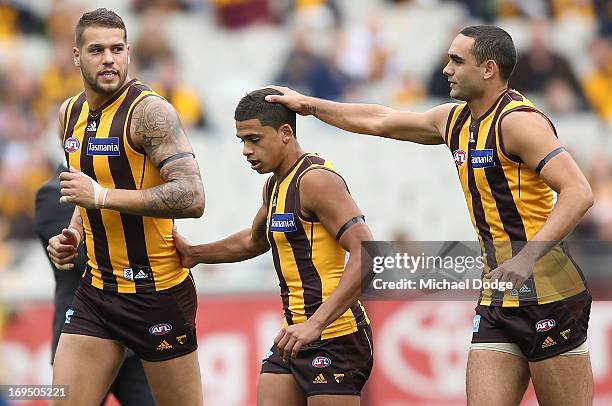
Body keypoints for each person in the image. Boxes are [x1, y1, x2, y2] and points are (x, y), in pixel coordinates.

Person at [267, 26, 594, 405]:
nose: (446, 69)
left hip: (549, 289)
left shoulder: (519, 123)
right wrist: (310, 105)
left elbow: (579, 192)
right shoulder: (453, 121)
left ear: (488, 69)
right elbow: (379, 119)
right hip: (498, 293)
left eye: (457, 60)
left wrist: (526, 257)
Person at [174, 88, 374, 406]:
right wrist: (196, 254)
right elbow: (255, 239)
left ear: (285, 133)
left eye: (254, 139)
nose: (246, 150)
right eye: (242, 140)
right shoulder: (275, 184)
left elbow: (367, 252)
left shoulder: (316, 180)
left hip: (337, 335)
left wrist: (316, 323)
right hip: (294, 333)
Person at [46, 8, 205, 406]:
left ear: (129, 52)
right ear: (76, 56)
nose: (109, 59)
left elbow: (192, 196)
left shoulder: (151, 112)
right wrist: (75, 232)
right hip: (97, 292)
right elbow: (86, 191)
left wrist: (99, 196)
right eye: (97, 49)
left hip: (157, 292)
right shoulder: (69, 113)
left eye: (117, 49)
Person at [34, 163, 156, 406]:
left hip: (131, 335)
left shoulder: (121, 182)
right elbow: (80, 258)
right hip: (83, 335)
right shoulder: (53, 192)